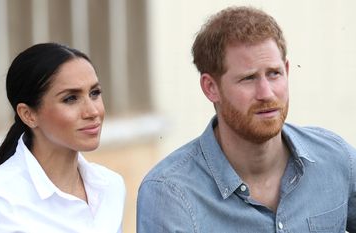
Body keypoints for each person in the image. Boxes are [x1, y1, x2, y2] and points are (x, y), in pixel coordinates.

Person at [137, 6, 356, 233]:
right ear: (210, 88)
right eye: (248, 78)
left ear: (287, 71)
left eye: (274, 73)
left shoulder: (337, 160)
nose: (266, 93)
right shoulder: (170, 194)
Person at [0, 43, 126, 233]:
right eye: (70, 99)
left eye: (94, 93)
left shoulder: (110, 186)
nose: (93, 111)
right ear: (28, 115)